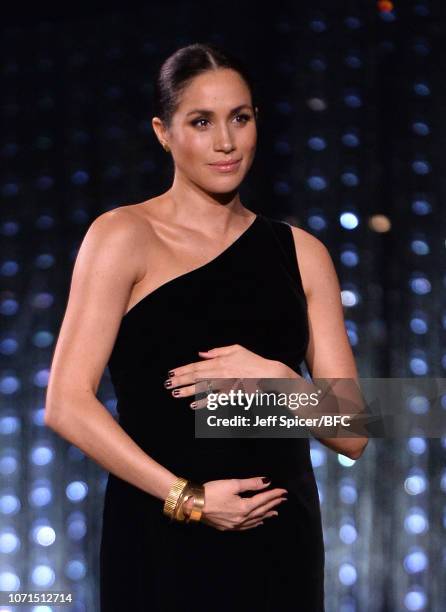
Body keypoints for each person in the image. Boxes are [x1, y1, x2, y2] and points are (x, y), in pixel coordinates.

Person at [45, 42, 368, 611]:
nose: (226, 142)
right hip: (162, 533)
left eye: (239, 119)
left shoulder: (302, 253)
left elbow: (355, 431)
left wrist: (278, 382)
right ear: (163, 132)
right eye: (201, 121)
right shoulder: (123, 236)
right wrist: (188, 499)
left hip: (280, 545)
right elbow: (67, 403)